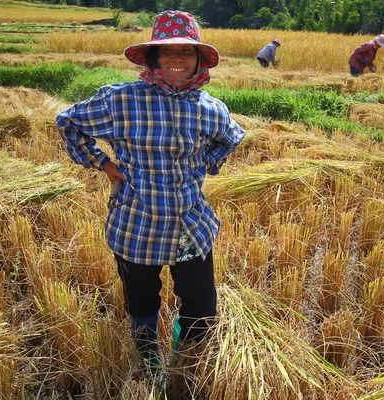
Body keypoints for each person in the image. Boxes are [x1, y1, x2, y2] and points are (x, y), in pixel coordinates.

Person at [56, 10, 245, 376]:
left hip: (189, 224)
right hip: (137, 222)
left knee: (202, 305)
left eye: (186, 52)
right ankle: (148, 355)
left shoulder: (209, 108)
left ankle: (183, 359)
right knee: (141, 299)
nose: (177, 59)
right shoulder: (121, 101)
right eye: (167, 51)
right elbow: (69, 122)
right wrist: (103, 164)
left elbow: (233, 137)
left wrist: (207, 162)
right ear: (153, 58)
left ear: (198, 62)